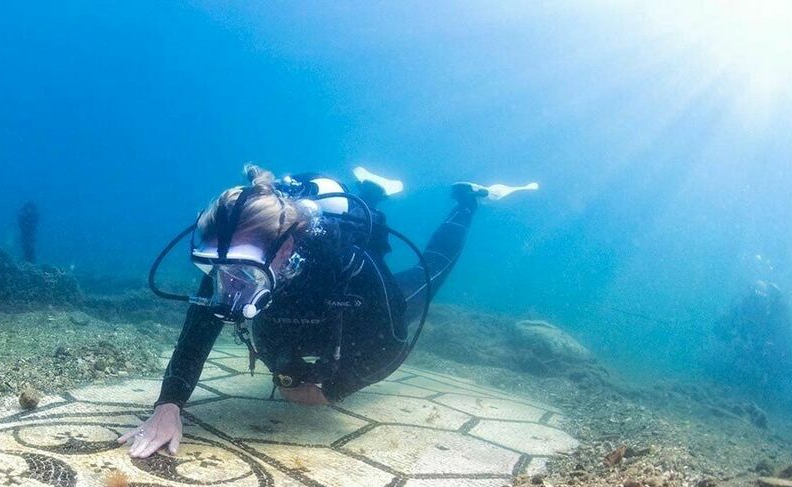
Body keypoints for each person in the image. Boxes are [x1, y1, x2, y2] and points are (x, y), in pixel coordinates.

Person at [120, 164, 536, 458]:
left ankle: (468, 202)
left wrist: (333, 389)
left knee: (430, 277)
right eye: (213, 270)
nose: (228, 286)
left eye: (241, 273)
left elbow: (391, 344)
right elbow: (196, 333)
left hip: (356, 304)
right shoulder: (235, 261)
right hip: (293, 308)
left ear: (285, 249)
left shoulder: (347, 261)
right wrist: (168, 405)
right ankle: (372, 189)